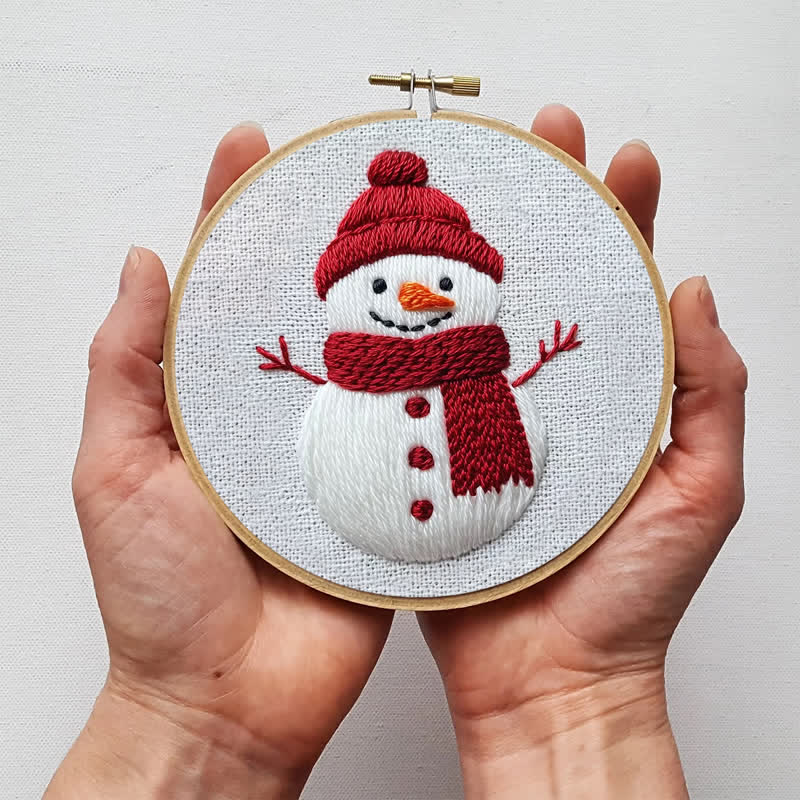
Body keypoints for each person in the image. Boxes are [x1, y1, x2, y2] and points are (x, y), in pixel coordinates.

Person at [45, 104, 746, 799]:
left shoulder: (489, 380)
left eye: (444, 283)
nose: (415, 298)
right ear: (343, 293)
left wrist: (178, 720)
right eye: (380, 285)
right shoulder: (343, 390)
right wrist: (582, 707)